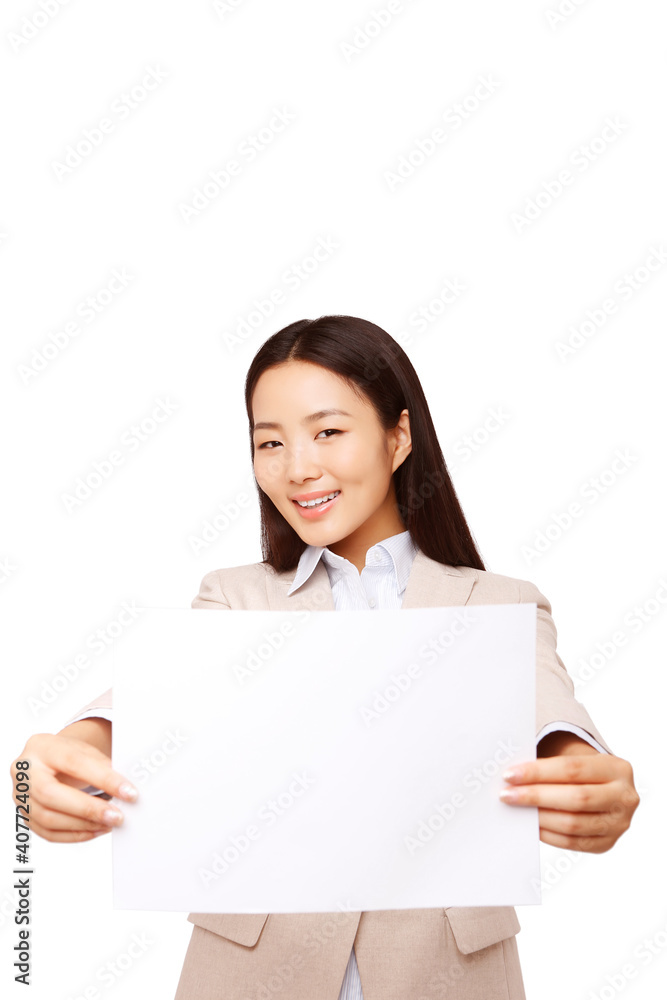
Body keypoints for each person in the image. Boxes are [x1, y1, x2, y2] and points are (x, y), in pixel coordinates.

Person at [10, 315, 640, 999]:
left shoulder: (498, 604)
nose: (298, 467)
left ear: (398, 437)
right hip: (251, 975)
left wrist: (585, 780)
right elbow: (150, 711)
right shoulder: (235, 599)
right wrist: (51, 763)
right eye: (270, 442)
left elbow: (558, 729)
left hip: (449, 976)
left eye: (328, 432)